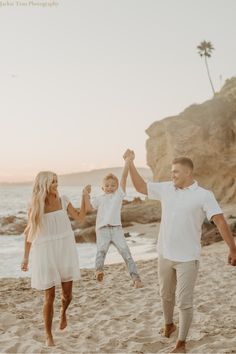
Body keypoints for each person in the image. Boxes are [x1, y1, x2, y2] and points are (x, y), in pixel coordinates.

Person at [123, 149, 236, 353]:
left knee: (184, 302)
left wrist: (233, 249)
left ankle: (181, 343)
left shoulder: (203, 195)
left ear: (188, 173)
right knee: (165, 295)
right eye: (171, 171)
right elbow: (140, 187)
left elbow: (219, 221)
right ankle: (169, 325)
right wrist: (130, 163)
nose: (172, 175)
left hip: (188, 258)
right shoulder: (167, 188)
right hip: (165, 254)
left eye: (175, 172)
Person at [21, 171, 85, 347]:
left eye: (57, 181)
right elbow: (29, 232)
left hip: (65, 249)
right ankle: (48, 335)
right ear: (44, 185)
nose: (56, 185)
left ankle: (63, 312)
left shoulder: (63, 200)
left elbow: (80, 218)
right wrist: (25, 258)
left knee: (67, 295)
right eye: (53, 182)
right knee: (49, 295)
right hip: (46, 252)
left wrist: (84, 197)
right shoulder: (36, 205)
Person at [82, 158, 143, 289]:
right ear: (102, 187)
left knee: (126, 254)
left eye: (113, 185)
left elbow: (124, 176)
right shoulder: (99, 198)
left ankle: (136, 279)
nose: (110, 188)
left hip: (116, 229)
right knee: (101, 251)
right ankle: (98, 270)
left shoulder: (118, 195)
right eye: (107, 185)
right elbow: (88, 209)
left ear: (117, 187)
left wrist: (127, 161)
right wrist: (86, 195)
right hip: (102, 229)